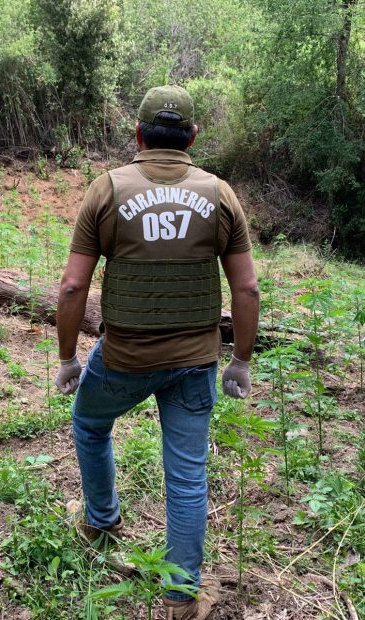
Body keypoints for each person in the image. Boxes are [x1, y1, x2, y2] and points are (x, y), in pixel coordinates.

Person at [55, 85, 259, 620]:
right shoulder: (220, 194)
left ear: (139, 134)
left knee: (90, 424)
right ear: (191, 136)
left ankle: (101, 520)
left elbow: (74, 287)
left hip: (124, 359)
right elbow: (247, 290)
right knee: (188, 477)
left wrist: (69, 358)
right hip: (196, 363)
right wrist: (239, 359)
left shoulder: (106, 190)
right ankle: (180, 597)